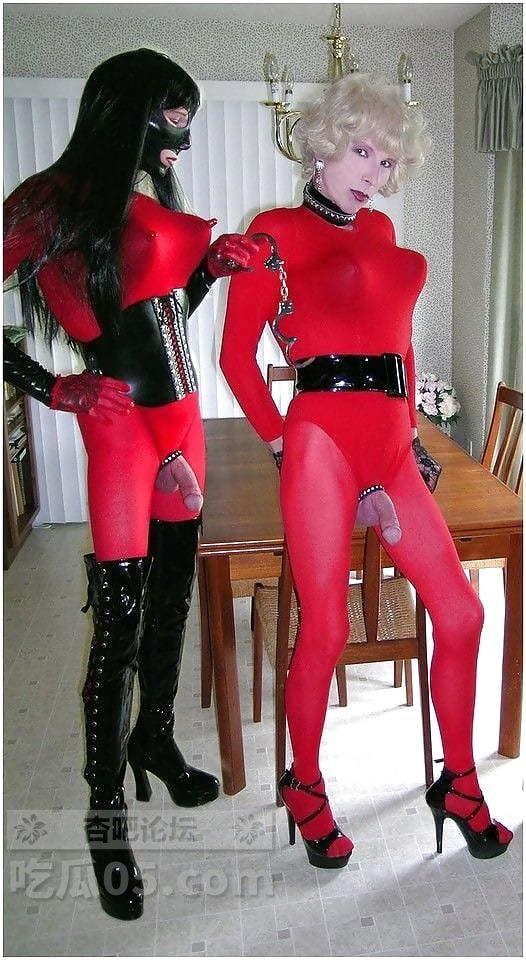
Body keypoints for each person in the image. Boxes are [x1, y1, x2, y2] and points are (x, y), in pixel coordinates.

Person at [219, 72, 513, 869]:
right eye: (360, 152)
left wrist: (410, 436)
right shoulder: (272, 233)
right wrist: (280, 445)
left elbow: (402, 345)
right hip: (319, 441)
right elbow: (236, 359)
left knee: (462, 613)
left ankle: (459, 782)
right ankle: (305, 784)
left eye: (386, 161)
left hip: (390, 441)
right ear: (322, 145)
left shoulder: (380, 230)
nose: (373, 174)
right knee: (325, 627)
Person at [3, 48, 260, 920]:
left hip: (183, 417)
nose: (180, 142)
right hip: (118, 426)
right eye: (172, 122)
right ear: (126, 113)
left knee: (173, 594)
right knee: (117, 617)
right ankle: (104, 809)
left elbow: (162, 312)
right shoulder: (47, 200)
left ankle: (154, 738)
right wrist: (50, 386)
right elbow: (109, 333)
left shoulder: (146, 190)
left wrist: (210, 270)